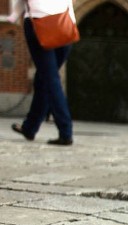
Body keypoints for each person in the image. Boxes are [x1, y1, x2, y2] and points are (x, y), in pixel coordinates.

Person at [8, 0, 76, 146]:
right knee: (43, 78)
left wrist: (13, 16)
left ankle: (65, 131)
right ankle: (30, 127)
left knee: (50, 79)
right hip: (65, 24)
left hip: (40, 24)